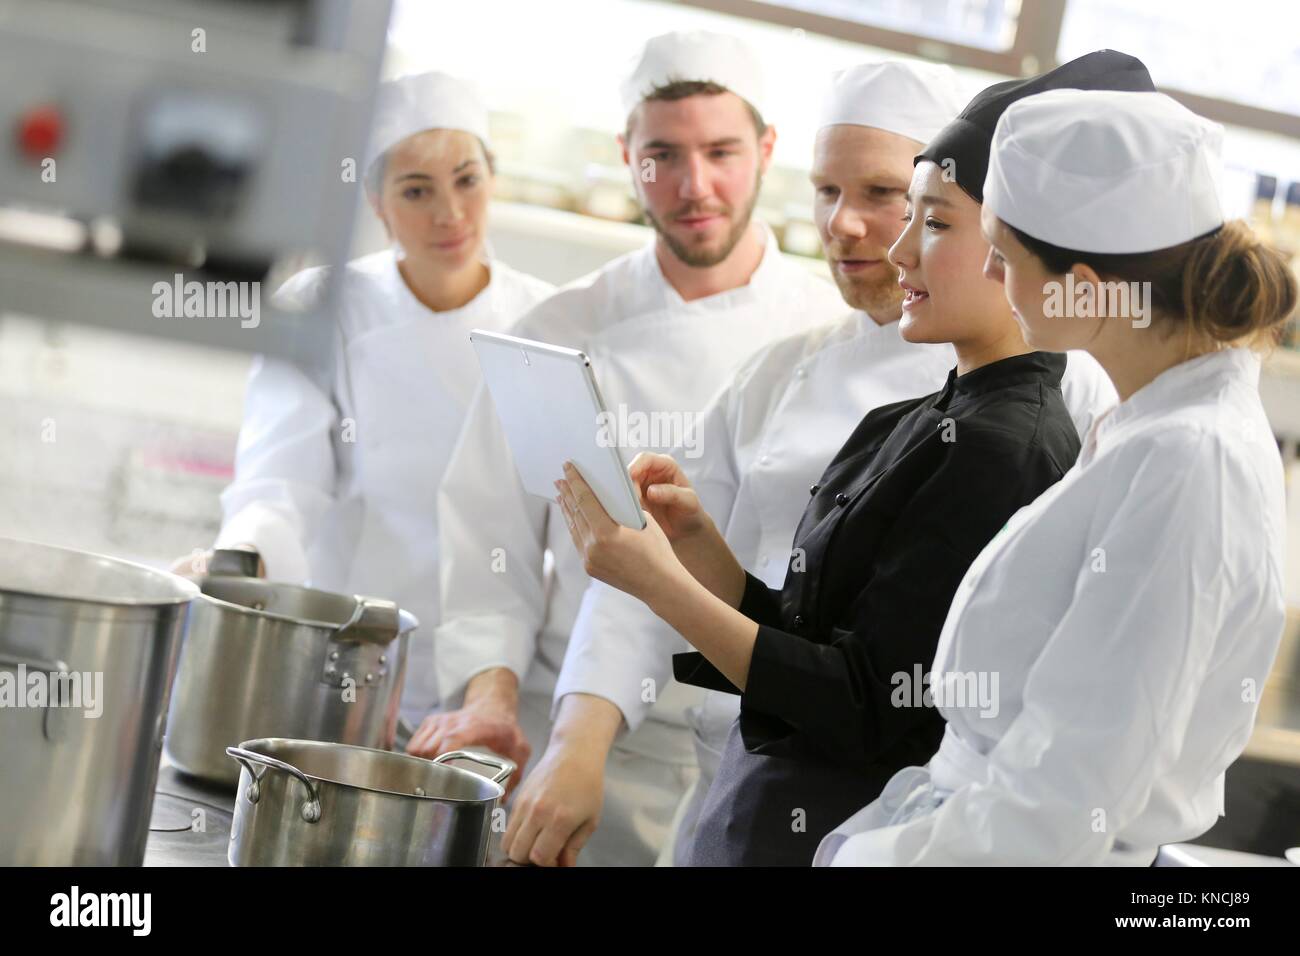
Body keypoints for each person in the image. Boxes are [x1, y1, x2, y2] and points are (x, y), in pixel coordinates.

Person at [555, 50, 1154, 867]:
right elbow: (818, 636)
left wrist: (659, 581)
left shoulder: (1014, 441)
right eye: (837, 194)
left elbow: (868, 702)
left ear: (1014, 244)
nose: (884, 242)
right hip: (751, 797)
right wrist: (697, 550)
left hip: (845, 828)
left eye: (922, 216)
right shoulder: (916, 414)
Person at [815, 88, 1297, 866]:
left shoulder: (1186, 460)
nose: (992, 273)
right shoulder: (1152, 422)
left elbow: (1061, 799)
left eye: (1001, 252)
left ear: (1078, 280)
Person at [423, 31, 845, 865]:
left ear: (765, 151)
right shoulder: (556, 334)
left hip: (743, 748)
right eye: (664, 155)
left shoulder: (826, 340)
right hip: (554, 738)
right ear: (626, 157)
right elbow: (488, 547)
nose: (696, 186)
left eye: (722, 151)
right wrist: (492, 698)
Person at [193, 73, 554, 724]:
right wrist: (237, 560)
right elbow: (281, 485)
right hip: (340, 661)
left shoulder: (547, 324)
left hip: (493, 689)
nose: (450, 214)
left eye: (467, 180)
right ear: (377, 202)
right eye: (417, 190)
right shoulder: (319, 307)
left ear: (493, 178)